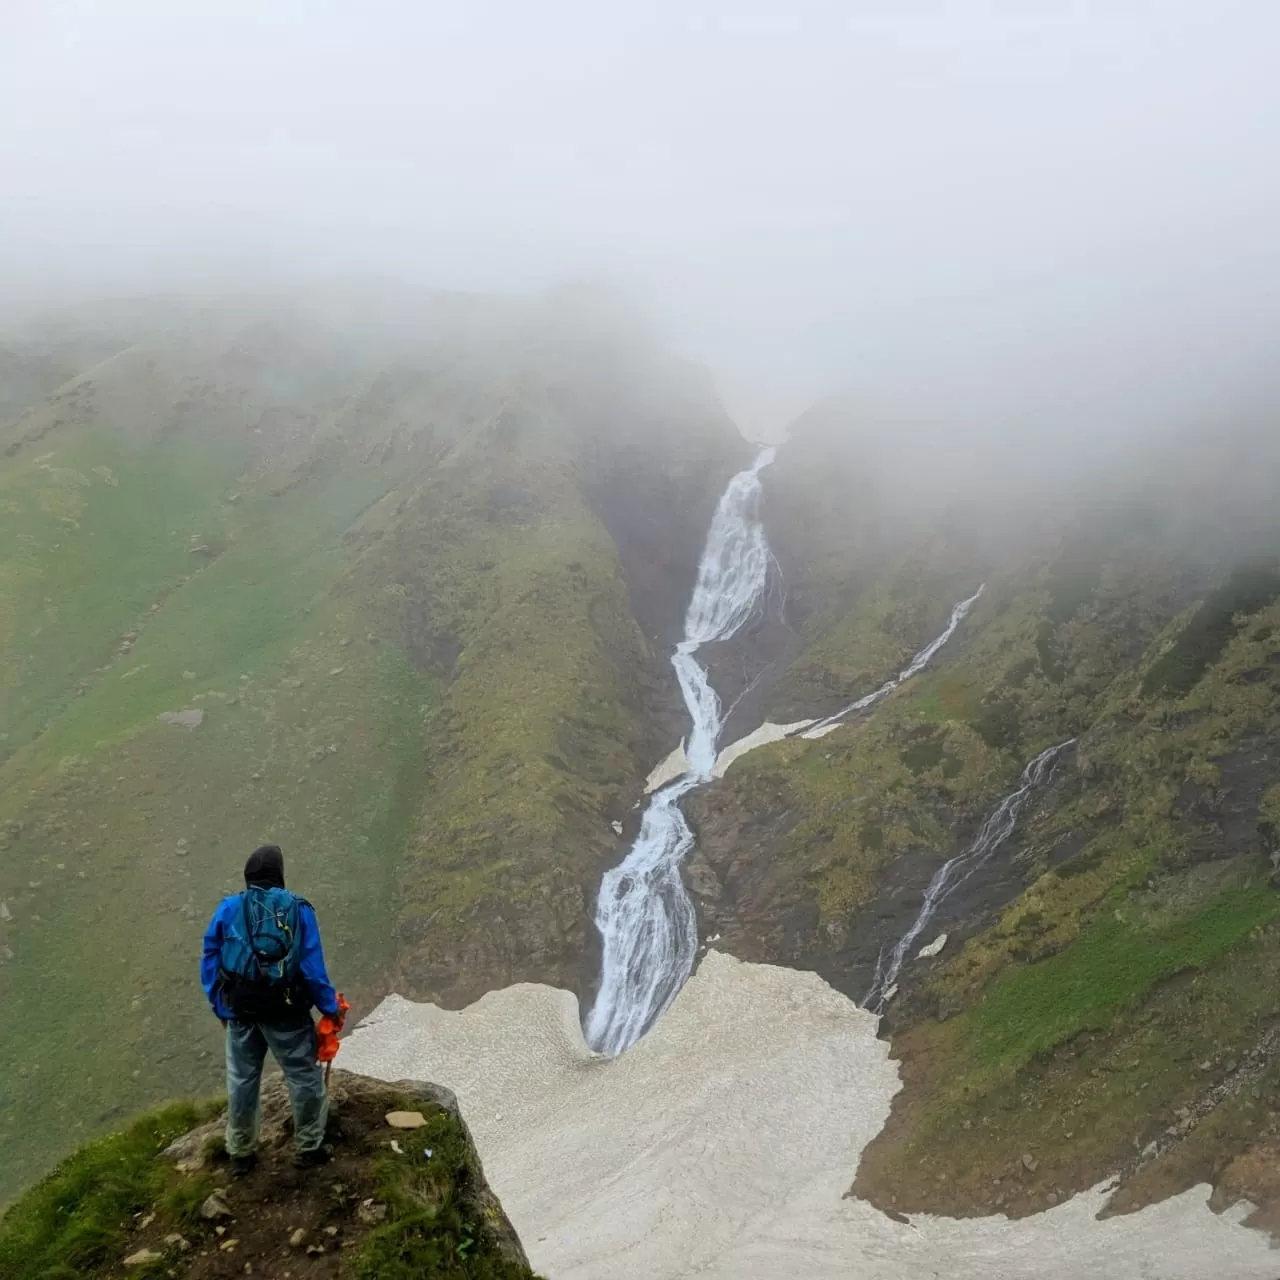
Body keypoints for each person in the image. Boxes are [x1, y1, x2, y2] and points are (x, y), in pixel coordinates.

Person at [201, 844, 345, 1172]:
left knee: (242, 1079)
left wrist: (219, 1006)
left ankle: (240, 1153)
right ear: (279, 874)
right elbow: (311, 966)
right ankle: (309, 1148)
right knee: (303, 1076)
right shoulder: (298, 909)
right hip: (287, 1011)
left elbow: (211, 957)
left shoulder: (228, 908)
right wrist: (329, 1007)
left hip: (241, 1011)